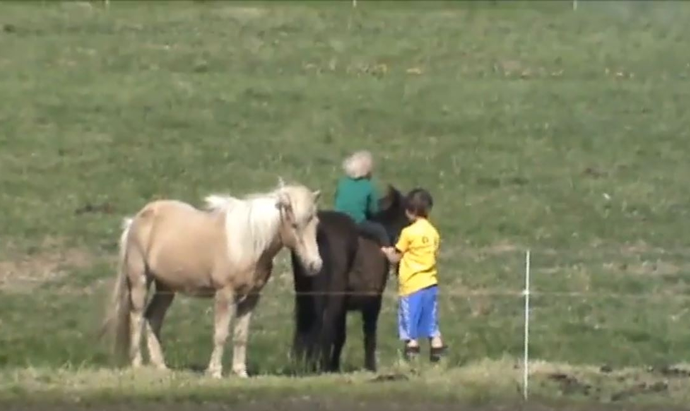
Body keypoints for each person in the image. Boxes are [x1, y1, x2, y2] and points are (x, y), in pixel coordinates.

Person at [382, 188, 446, 362]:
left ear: (409, 211)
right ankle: (438, 360)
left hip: (411, 285)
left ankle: (412, 362)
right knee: (432, 326)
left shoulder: (408, 233)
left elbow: (396, 256)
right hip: (430, 283)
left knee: (410, 329)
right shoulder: (433, 232)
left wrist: (387, 252)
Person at [334, 150, 391, 250]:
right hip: (357, 222)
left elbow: (337, 198)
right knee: (380, 230)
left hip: (339, 219)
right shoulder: (368, 186)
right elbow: (373, 211)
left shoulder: (342, 183)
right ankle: (389, 256)